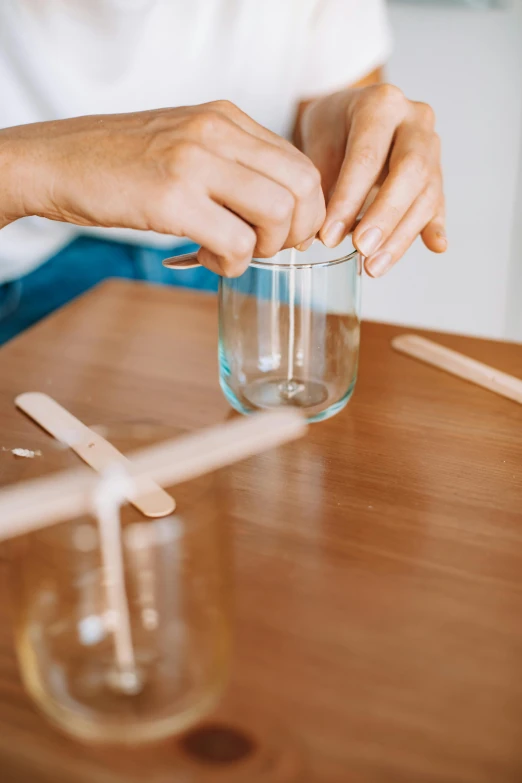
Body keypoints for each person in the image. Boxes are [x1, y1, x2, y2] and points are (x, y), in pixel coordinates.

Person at [0, 0, 445, 345]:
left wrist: (345, 135)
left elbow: (339, 104)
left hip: (238, 263)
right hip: (22, 275)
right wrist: (36, 166)